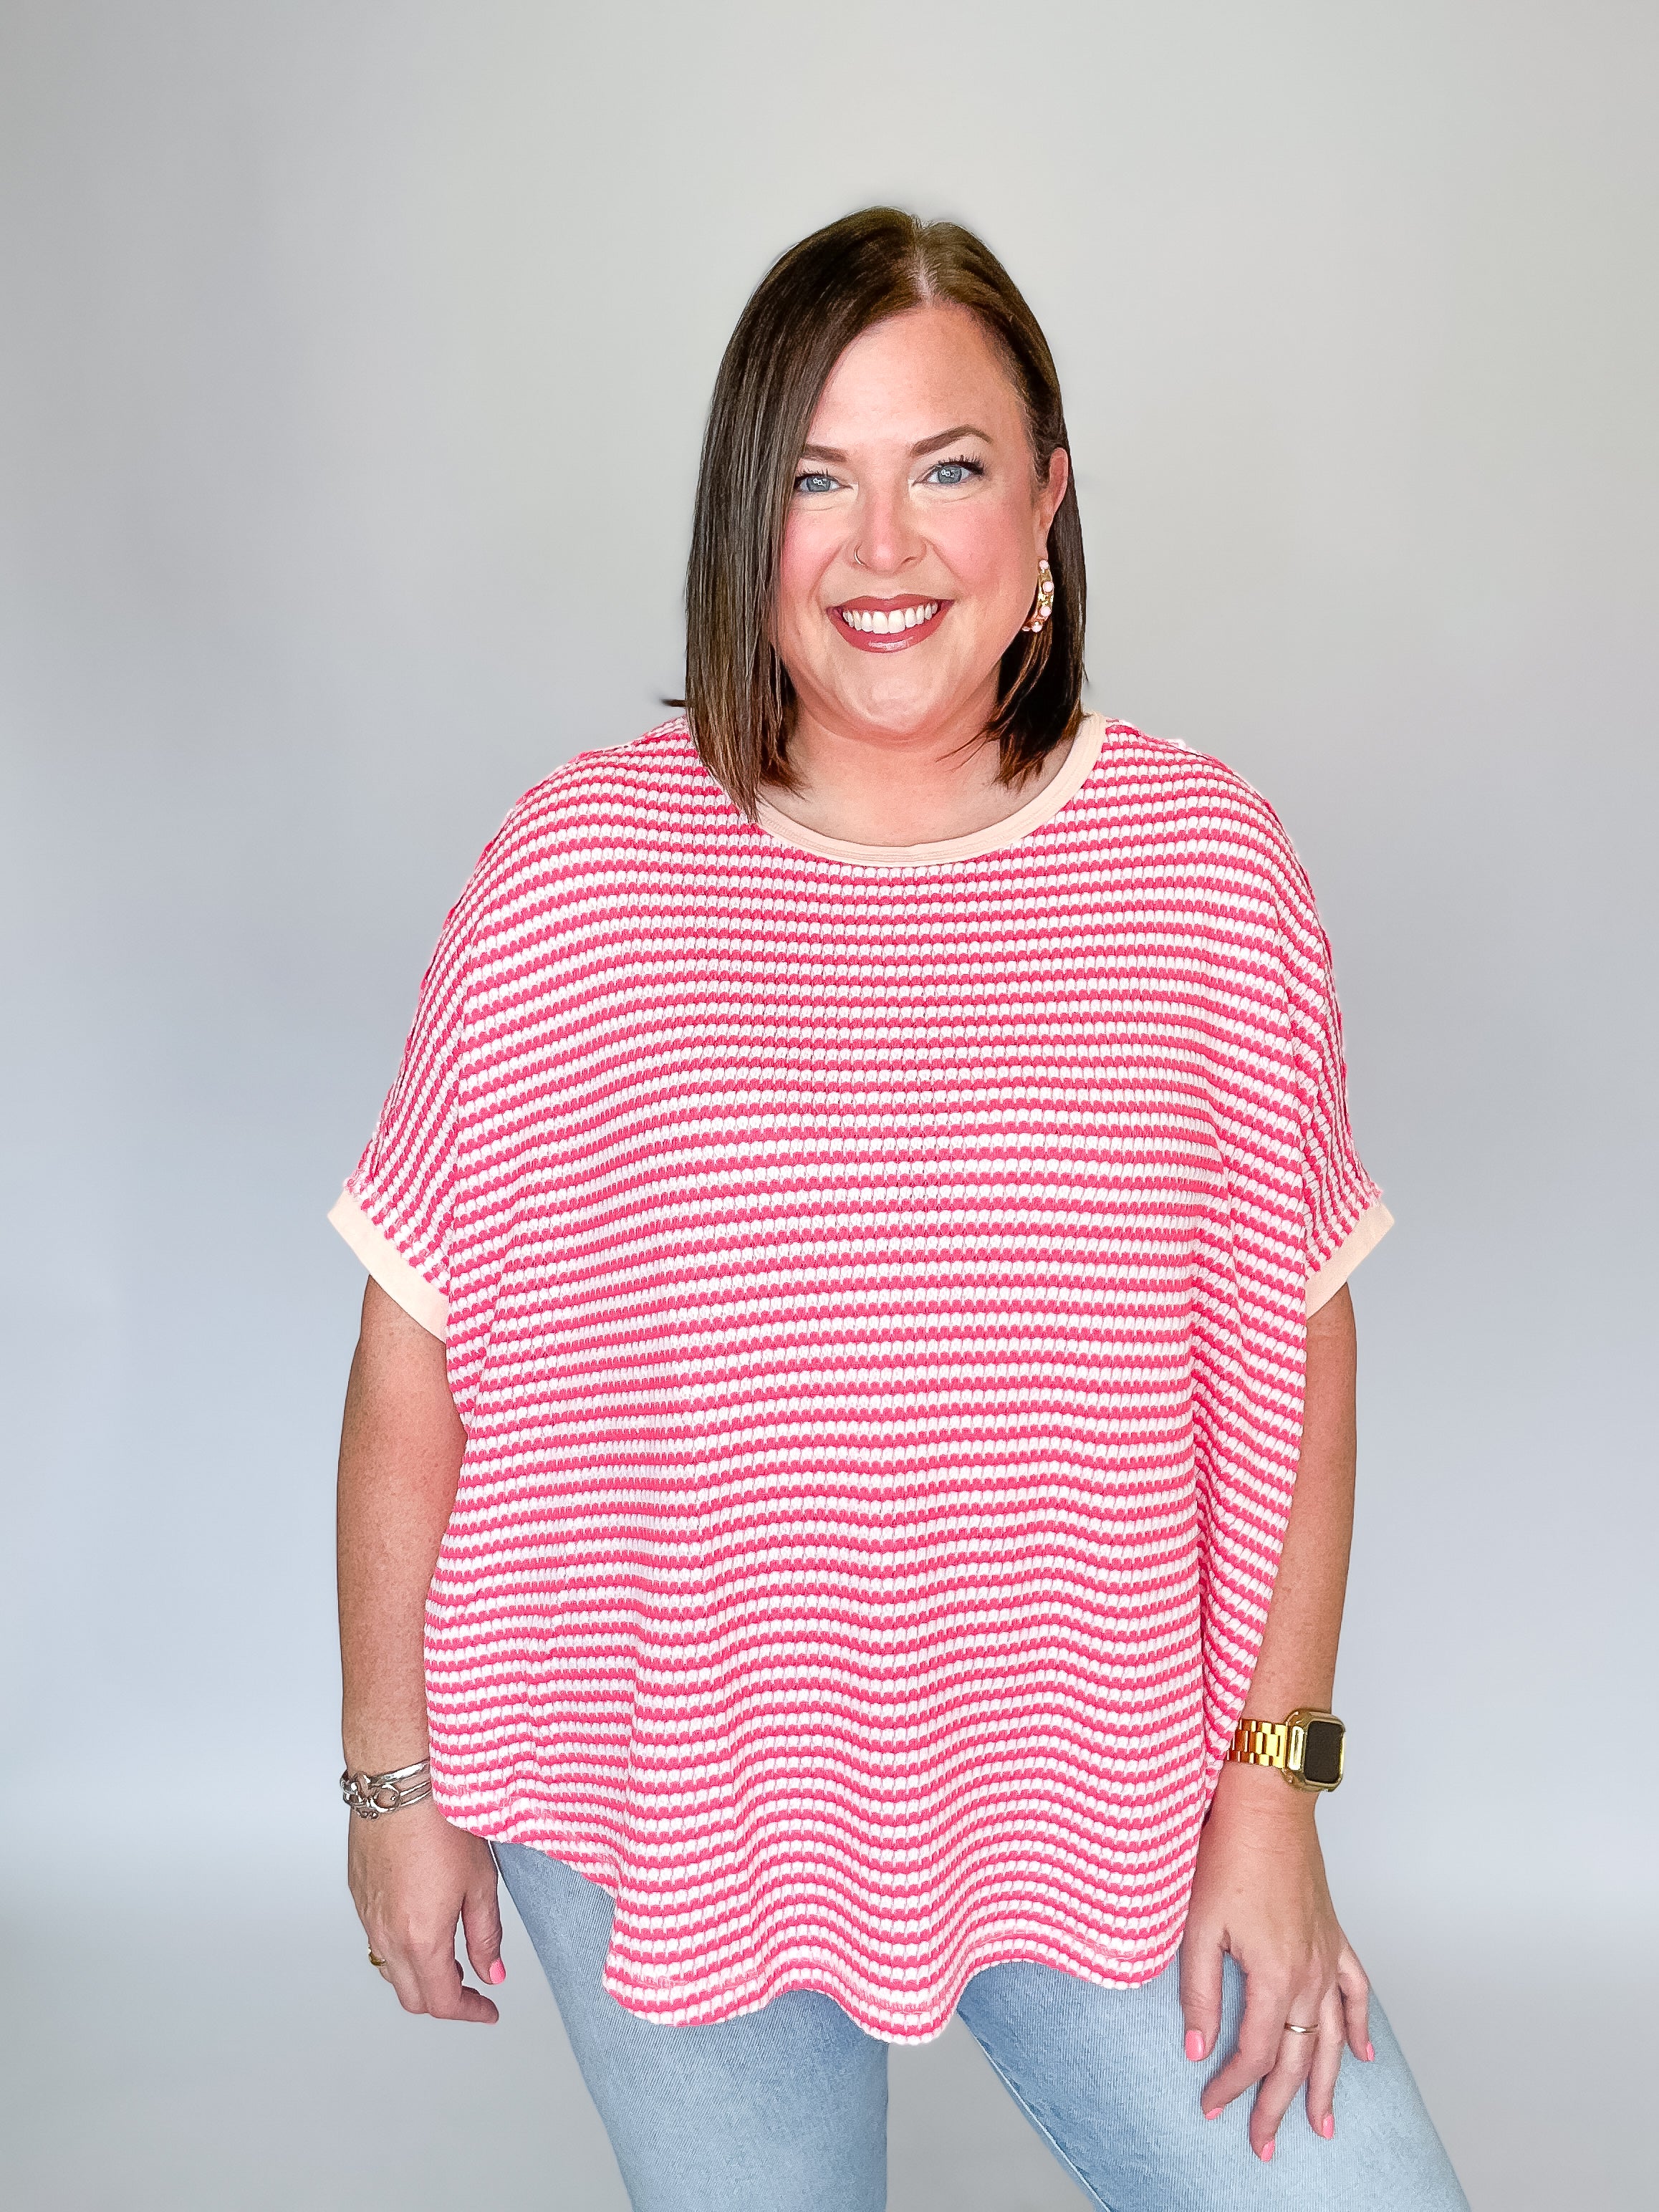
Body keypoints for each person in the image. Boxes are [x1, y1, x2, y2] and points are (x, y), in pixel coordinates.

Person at [330, 208, 1467, 2211]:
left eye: (946, 469)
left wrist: (1277, 1793)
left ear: (1046, 505)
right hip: (664, 1781)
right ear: (739, 523)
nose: (880, 549)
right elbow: (413, 1343)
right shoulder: (580, 868)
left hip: (1104, 1782)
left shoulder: (1203, 870)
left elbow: (1298, 1349)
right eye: (812, 479)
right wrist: (391, 1783)